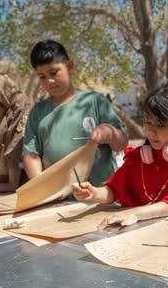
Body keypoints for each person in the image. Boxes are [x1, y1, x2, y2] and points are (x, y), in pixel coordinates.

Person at [72, 82, 168, 228]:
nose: (150, 132)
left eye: (160, 125)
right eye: (147, 122)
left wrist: (133, 214)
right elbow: (113, 191)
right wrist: (93, 193)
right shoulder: (138, 157)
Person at [23, 40, 127, 186]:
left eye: (54, 72)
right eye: (42, 77)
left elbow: (122, 144)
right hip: (59, 198)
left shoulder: (95, 101)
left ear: (70, 67)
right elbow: (31, 154)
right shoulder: (38, 112)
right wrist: (40, 186)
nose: (50, 81)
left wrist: (110, 133)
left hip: (101, 194)